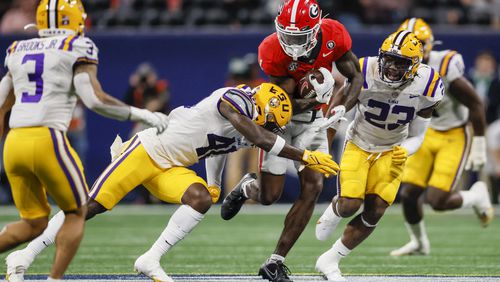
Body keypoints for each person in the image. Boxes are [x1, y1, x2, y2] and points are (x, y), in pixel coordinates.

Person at [6, 83, 340, 282]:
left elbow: (220, 146)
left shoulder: (250, 123)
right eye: (269, 122)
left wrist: (213, 183)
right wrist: (304, 156)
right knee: (89, 207)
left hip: (170, 167)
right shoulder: (235, 99)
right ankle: (25, 254)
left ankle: (150, 258)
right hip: (146, 151)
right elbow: (254, 134)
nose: (270, 129)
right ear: (259, 108)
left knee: (199, 199)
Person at [0, 0, 169, 281]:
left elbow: (2, 101)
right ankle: (55, 279)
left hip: (14, 143)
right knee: (76, 212)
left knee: (33, 223)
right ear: (74, 20)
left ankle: (20, 262)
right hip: (47, 138)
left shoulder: (17, 49)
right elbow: (94, 99)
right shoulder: (77, 46)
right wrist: (143, 114)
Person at [220, 0, 364, 281]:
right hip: (281, 121)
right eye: (288, 34)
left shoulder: (333, 34)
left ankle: (275, 261)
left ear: (316, 28)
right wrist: (313, 97)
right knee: (268, 197)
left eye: (299, 37)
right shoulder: (272, 49)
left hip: (314, 122)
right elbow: (280, 107)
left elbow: (355, 76)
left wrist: (341, 107)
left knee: (313, 187)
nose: (292, 42)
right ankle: (249, 187)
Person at [314, 31, 445, 281]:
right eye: (389, 60)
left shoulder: (428, 85)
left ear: (414, 66)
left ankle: (331, 260)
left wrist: (404, 150)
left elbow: (419, 134)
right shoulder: (364, 69)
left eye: (401, 63)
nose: (393, 68)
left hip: (392, 148)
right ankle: (335, 208)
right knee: (350, 204)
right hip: (360, 142)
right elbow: (337, 109)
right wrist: (325, 146)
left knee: (375, 211)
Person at [388, 18, 493, 257]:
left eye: (419, 42)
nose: (413, 47)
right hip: (427, 131)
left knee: (438, 200)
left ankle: (476, 196)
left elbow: (476, 104)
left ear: (430, 44)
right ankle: (419, 242)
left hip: (454, 133)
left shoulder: (444, 66)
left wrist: (478, 143)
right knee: (408, 194)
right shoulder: (396, 67)